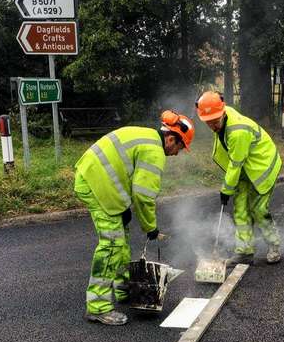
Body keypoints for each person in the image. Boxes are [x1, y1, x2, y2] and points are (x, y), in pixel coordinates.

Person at [74, 111, 194, 325]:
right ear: (170, 138)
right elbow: (143, 196)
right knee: (112, 244)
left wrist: (123, 205)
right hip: (97, 185)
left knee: (122, 239)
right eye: (179, 147)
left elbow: (125, 171)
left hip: (99, 180)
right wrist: (151, 228)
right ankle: (97, 307)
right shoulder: (155, 152)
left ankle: (123, 289)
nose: (177, 153)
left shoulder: (146, 136)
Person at [195, 91, 282, 265]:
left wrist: (225, 190)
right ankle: (244, 251)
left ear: (222, 112)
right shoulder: (220, 117)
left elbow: (235, 163)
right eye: (208, 122)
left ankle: (274, 245)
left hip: (261, 167)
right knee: (240, 209)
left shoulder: (238, 131)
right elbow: (235, 162)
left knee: (258, 209)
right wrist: (228, 187)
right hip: (244, 167)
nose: (212, 126)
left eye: (214, 121)